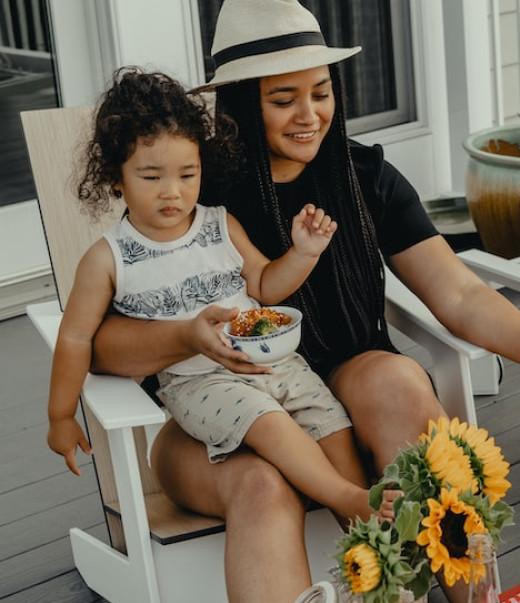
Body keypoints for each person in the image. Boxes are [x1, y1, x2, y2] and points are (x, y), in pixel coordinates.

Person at [85, 1, 520, 603]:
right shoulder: (195, 194)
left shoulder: (363, 177)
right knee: (262, 484)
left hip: (335, 395)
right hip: (213, 417)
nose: (309, 114)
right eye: (283, 98)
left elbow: (458, 294)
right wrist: (187, 335)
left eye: (320, 92)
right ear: (241, 102)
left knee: (399, 380)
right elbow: (100, 345)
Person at [44, 67, 392, 528]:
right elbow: (74, 340)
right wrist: (60, 415)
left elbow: (266, 285)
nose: (173, 192)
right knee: (270, 423)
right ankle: (349, 499)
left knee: (331, 422)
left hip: (274, 363)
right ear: (115, 177)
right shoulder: (108, 259)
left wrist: (303, 253)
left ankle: (369, 543)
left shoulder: (220, 225)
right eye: (151, 178)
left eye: (188, 174)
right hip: (200, 384)